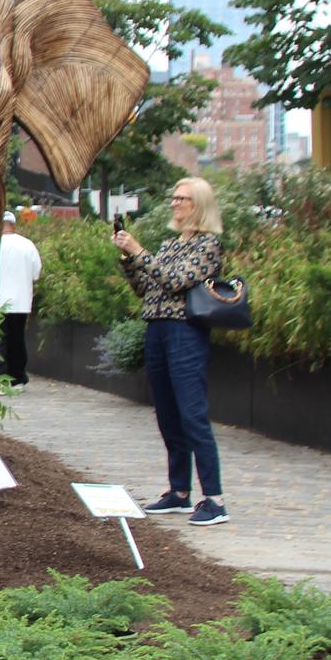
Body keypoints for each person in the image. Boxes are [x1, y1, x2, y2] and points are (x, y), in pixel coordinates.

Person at [115, 177, 229, 527]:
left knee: (192, 413)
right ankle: (179, 492)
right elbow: (147, 287)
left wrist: (140, 252)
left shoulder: (208, 245)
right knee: (166, 414)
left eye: (183, 199)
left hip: (185, 332)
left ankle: (215, 499)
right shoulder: (169, 244)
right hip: (157, 330)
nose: (175, 203)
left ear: (200, 206)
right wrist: (130, 259)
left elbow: (176, 280)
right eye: (174, 197)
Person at [0, 210, 41, 386]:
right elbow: (36, 273)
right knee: (17, 340)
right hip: (21, 301)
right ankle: (17, 378)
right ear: (14, 225)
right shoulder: (27, 245)